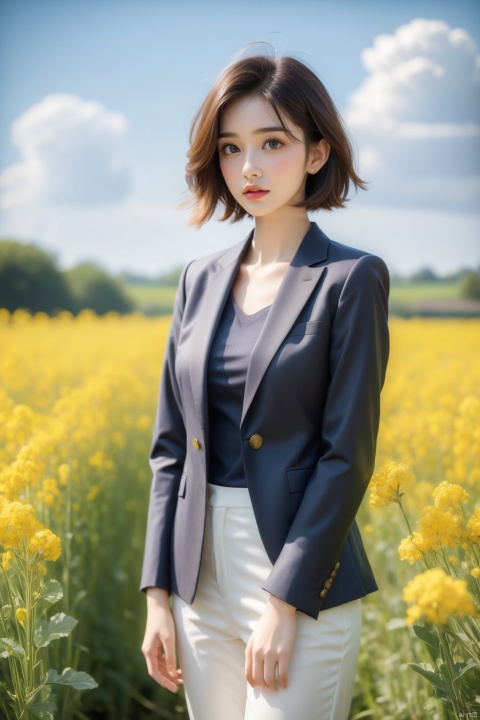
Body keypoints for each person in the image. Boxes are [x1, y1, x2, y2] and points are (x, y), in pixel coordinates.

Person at [141, 51, 390, 720]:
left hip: (296, 573)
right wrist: (157, 594)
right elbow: (170, 448)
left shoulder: (352, 280)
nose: (248, 167)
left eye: (272, 143)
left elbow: (348, 455)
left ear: (316, 153)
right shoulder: (198, 278)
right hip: (197, 576)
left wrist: (285, 602)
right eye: (231, 147)